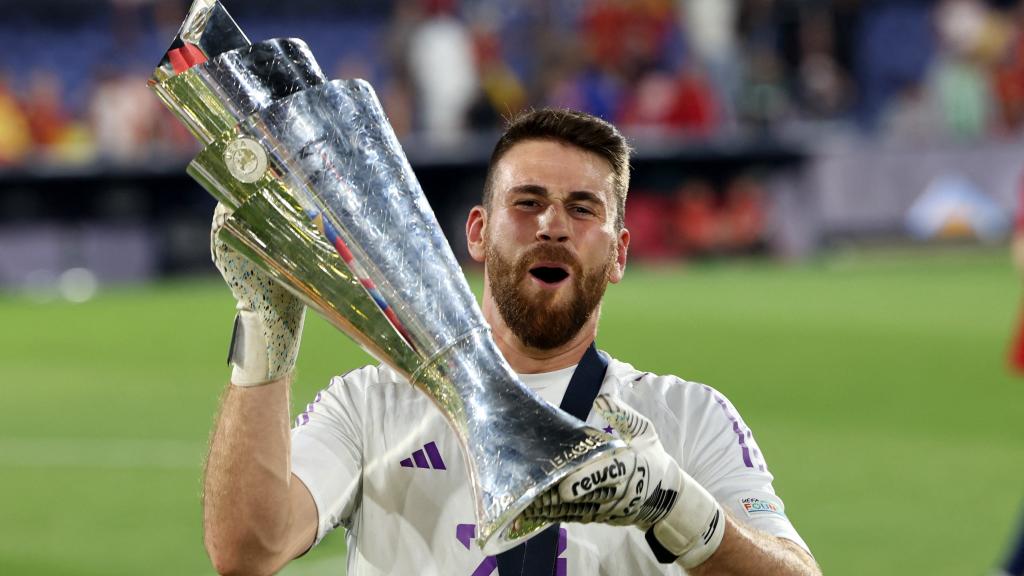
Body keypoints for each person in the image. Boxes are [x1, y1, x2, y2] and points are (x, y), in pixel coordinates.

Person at [202, 109, 820, 575]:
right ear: (478, 231)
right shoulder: (369, 406)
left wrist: (677, 506)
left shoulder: (684, 418)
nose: (553, 225)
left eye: (583, 209)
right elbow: (248, 549)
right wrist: (265, 321)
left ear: (620, 252)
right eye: (528, 203)